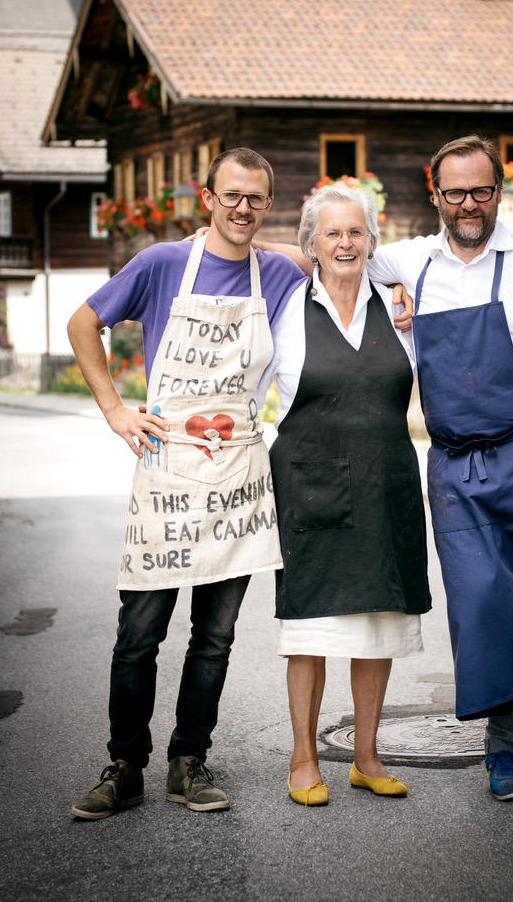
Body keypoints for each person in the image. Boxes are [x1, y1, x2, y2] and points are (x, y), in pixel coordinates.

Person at [256, 136, 513, 802]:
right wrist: (227, 242)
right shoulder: (407, 261)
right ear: (433, 193)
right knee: (484, 603)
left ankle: (505, 753)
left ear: (500, 191)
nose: (469, 204)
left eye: (482, 191)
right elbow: (327, 249)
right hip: (454, 467)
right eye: (455, 192)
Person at [67, 148, 305, 820]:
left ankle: (188, 762)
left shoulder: (278, 273)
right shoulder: (162, 264)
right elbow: (85, 323)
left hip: (237, 476)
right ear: (206, 196)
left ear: (267, 203)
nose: (242, 208)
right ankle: (124, 766)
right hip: (168, 473)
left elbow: (339, 253)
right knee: (139, 632)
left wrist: (395, 291)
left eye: (256, 198)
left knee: (215, 636)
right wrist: (114, 408)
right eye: (230, 196)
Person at [266, 183, 431, 806]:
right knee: (310, 629)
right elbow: (252, 392)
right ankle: (304, 758)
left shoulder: (398, 308)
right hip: (310, 488)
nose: (344, 242)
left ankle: (366, 756)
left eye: (355, 232)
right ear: (310, 244)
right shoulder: (285, 307)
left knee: (376, 624)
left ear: (371, 242)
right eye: (331, 233)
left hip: (386, 483)